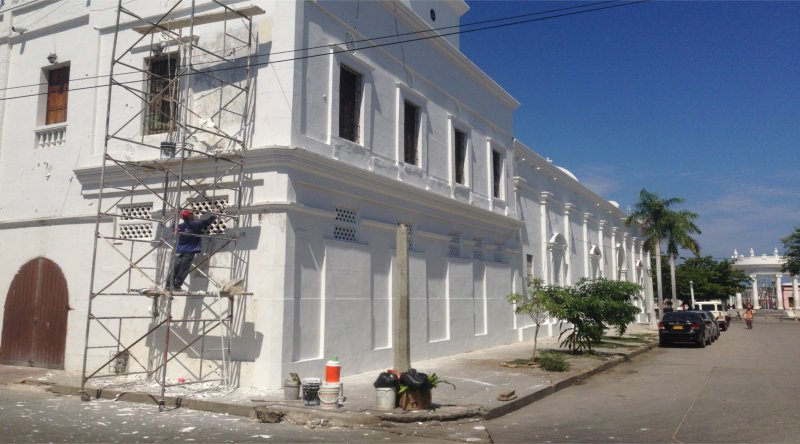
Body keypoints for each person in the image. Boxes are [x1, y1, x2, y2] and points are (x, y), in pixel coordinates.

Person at [169, 209, 216, 291]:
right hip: (190, 250)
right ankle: (177, 286)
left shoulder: (180, 226)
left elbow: (173, 227)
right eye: (192, 214)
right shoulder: (197, 224)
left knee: (175, 267)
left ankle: (168, 285)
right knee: (184, 268)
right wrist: (214, 214)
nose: (194, 215)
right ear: (189, 216)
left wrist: (174, 218)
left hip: (180, 249)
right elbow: (208, 222)